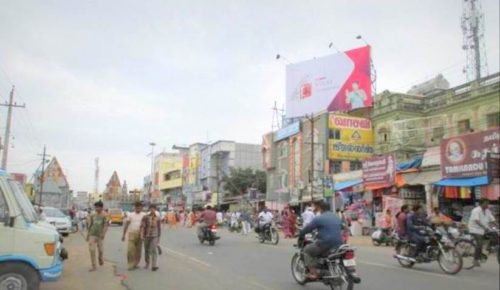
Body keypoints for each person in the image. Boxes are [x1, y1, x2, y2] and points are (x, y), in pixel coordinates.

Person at [298, 201, 343, 280]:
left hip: (325, 244)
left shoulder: (319, 218)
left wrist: (301, 234)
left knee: (307, 250)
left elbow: (308, 228)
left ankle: (314, 273)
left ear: (320, 208)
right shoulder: (336, 217)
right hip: (339, 244)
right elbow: (343, 227)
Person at [467, 199, 497, 267]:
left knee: (495, 234)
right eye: (486, 203)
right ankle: (475, 260)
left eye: (488, 203)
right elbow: (477, 221)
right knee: (479, 243)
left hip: (484, 228)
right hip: (474, 229)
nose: (487, 205)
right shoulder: (476, 210)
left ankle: (489, 248)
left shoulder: (487, 211)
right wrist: (484, 227)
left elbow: (492, 220)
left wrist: (497, 225)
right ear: (481, 204)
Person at [122, 201, 145, 271]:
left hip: (140, 234)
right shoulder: (131, 215)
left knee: (138, 251)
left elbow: (146, 225)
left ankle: (135, 264)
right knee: (130, 250)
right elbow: (126, 225)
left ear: (141, 208)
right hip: (132, 234)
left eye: (139, 207)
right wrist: (123, 235)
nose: (138, 208)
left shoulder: (144, 215)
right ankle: (130, 264)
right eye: (136, 207)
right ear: (134, 208)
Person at [86, 201, 109, 272]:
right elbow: (90, 224)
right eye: (96, 207)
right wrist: (88, 234)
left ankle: (100, 258)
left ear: (101, 207)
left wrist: (103, 234)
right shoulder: (92, 214)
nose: (97, 208)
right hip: (92, 234)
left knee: (100, 250)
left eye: (98, 207)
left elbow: (106, 225)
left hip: (99, 235)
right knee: (92, 250)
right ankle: (94, 266)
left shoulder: (105, 215)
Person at [141, 204, 161, 271]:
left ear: (155, 209)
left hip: (154, 236)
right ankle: (147, 263)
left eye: (154, 208)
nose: (152, 210)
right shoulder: (146, 217)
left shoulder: (157, 217)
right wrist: (142, 235)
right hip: (147, 235)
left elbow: (159, 228)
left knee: (154, 250)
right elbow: (143, 226)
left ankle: (154, 266)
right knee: (147, 250)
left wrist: (159, 237)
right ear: (149, 209)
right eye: (151, 208)